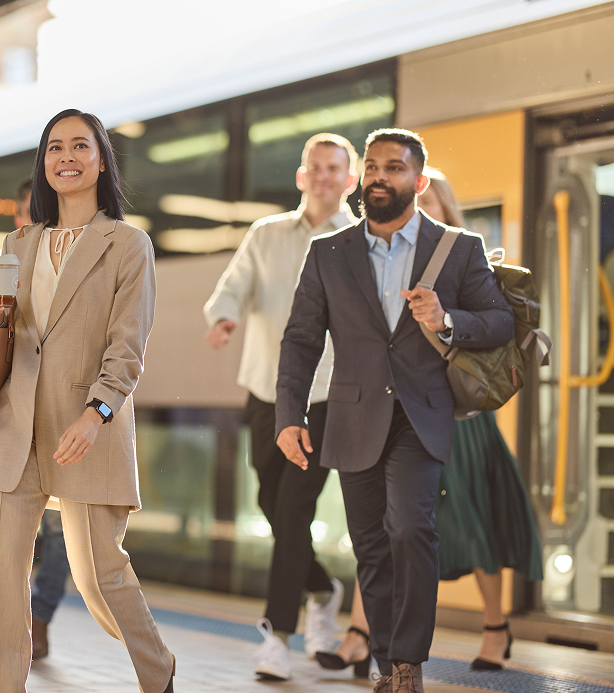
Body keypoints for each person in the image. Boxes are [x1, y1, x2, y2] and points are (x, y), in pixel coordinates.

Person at [275, 129, 515, 693]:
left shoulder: (457, 248)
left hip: (422, 415)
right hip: (353, 417)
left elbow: (500, 320)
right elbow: (301, 340)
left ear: (419, 181)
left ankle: (408, 663)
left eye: (396, 168)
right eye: (374, 167)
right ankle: (387, 664)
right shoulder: (329, 252)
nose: (381, 176)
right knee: (372, 548)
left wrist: (448, 320)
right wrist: (291, 414)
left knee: (411, 526)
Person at [0, 109, 175, 693]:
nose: (66, 156)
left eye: (79, 146)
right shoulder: (17, 241)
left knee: (99, 576)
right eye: (54, 147)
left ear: (102, 159)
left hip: (86, 425)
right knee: (3, 578)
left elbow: (128, 344)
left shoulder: (129, 245)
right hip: (16, 427)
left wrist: (98, 412)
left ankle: (157, 672)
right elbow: (3, 334)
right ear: (43, 163)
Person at [317, 168, 543, 676]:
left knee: (473, 518)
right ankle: (363, 632)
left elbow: (495, 326)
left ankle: (493, 625)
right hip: (400, 412)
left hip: (458, 413)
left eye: (431, 205)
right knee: (382, 526)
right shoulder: (382, 259)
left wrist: (445, 316)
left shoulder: (463, 258)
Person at [204, 133, 360, 681]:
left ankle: (278, 635)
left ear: (350, 179)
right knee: (270, 501)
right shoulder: (265, 234)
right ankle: (322, 588)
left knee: (293, 509)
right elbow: (233, 286)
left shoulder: (358, 241)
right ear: (301, 176)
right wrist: (223, 316)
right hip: (266, 390)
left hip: (323, 396)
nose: (323, 177)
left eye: (334, 168)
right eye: (314, 168)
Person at [0, 179, 71, 659]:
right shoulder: (0, 262)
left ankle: (39, 618)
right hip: (3, 414)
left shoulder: (69, 257)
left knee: (56, 528)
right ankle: (9, 609)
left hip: (53, 415)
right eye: (29, 211)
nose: (34, 219)